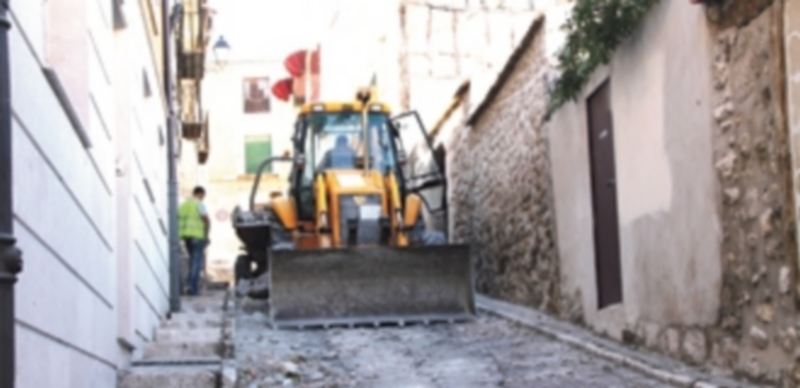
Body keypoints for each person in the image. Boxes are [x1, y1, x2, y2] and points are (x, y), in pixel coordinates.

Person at [179, 186, 210, 296]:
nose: (203, 198)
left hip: (186, 236)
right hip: (197, 236)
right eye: (203, 196)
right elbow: (206, 219)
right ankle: (193, 289)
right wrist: (206, 235)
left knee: (192, 262)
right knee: (196, 262)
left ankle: (188, 286)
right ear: (200, 194)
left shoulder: (183, 205)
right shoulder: (199, 204)